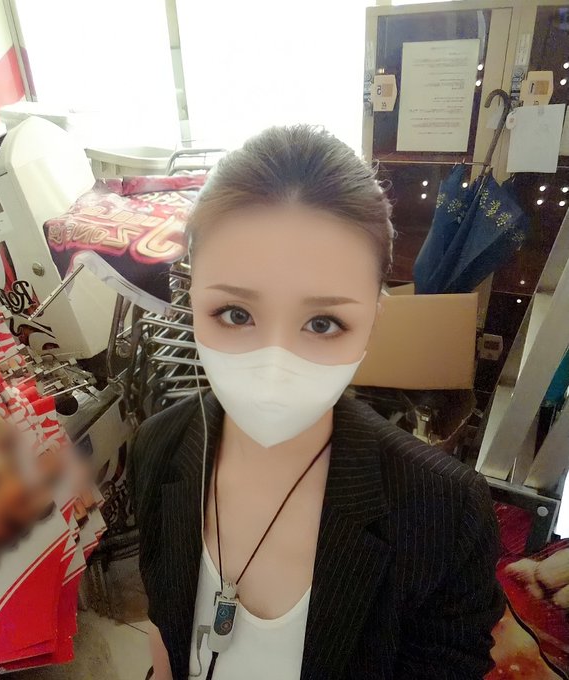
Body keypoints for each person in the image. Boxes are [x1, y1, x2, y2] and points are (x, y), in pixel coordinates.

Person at [128, 124, 506, 680]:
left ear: (373, 320)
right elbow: (165, 631)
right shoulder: (158, 448)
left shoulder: (444, 515)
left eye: (323, 323)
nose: (273, 368)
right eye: (236, 314)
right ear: (191, 300)